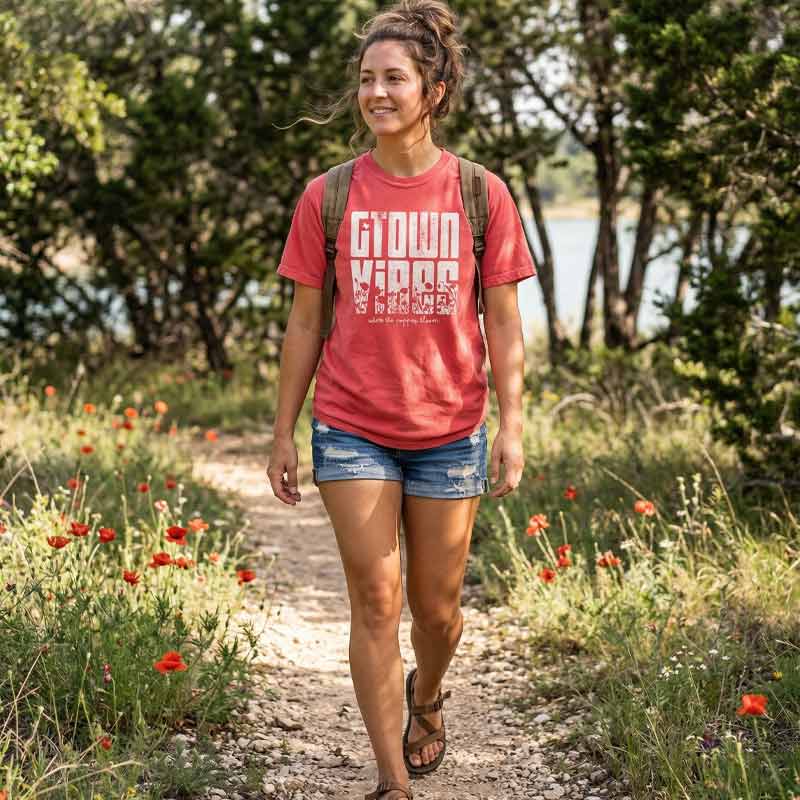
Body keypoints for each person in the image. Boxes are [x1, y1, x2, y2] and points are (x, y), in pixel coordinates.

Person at [267, 1, 536, 798]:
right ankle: (392, 781)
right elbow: (305, 322)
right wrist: (282, 432)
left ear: (435, 89)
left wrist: (513, 426)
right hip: (352, 426)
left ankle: (429, 692)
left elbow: (504, 321)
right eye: (366, 79)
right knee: (376, 600)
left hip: (450, 429)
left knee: (438, 611)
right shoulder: (330, 195)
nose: (376, 93)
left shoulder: (481, 194)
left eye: (394, 78)